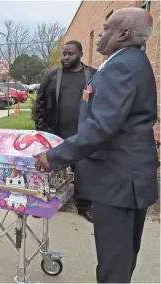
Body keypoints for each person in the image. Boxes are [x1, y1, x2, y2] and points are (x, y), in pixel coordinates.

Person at [33, 8, 158, 283]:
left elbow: (101, 127)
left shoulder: (123, 65)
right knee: (120, 258)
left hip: (119, 181)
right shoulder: (127, 61)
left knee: (114, 263)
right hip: (123, 178)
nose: (101, 34)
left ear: (123, 34)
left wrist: (54, 157)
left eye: (106, 28)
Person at [35, 40, 97, 223]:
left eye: (71, 54)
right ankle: (45, 204)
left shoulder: (92, 75)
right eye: (64, 54)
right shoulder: (53, 76)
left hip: (81, 134)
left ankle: (84, 206)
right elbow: (40, 103)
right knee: (50, 170)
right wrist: (41, 129)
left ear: (80, 54)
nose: (66, 57)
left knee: (83, 172)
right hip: (54, 133)